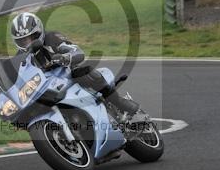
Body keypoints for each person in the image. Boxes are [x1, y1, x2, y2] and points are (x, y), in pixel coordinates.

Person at [10, 12, 140, 122]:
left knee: (83, 72)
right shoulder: (21, 58)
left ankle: (118, 102)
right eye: (23, 41)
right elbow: (19, 79)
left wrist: (65, 57)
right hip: (46, 87)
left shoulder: (52, 37)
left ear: (39, 31)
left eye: (31, 37)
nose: (28, 43)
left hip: (68, 75)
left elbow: (77, 51)